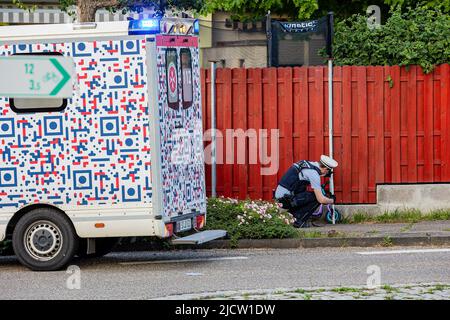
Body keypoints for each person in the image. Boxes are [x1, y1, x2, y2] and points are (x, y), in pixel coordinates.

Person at [274, 155, 338, 228]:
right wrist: (332, 200)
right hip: (286, 201)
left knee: (307, 195)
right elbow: (321, 199)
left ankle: (290, 217)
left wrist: (323, 174)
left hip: (282, 198)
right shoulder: (314, 174)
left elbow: (305, 175)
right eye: (328, 171)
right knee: (315, 198)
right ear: (326, 169)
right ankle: (297, 221)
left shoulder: (307, 165)